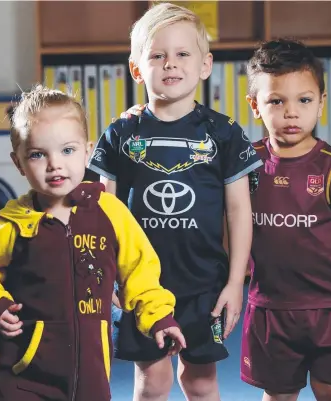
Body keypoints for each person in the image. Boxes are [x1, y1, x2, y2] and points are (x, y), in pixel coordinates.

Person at [0, 85, 186, 401]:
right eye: (38, 155)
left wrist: (159, 317)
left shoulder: (110, 212)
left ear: (87, 151)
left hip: (90, 371)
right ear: (18, 163)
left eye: (67, 151)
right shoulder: (11, 224)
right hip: (24, 371)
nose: (55, 165)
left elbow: (141, 273)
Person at [87, 3, 262, 400]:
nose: (171, 64)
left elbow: (238, 211)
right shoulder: (120, 135)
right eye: (157, 55)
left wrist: (236, 282)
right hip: (140, 282)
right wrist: (107, 273)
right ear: (137, 69)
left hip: (203, 282)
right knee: (152, 381)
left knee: (200, 382)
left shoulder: (224, 134)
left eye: (183, 54)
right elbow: (105, 210)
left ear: (205, 65)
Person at [241, 38, 331, 401]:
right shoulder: (247, 163)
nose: (291, 112)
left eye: (304, 100)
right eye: (276, 101)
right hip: (270, 307)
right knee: (279, 394)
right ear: (255, 106)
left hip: (328, 308)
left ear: (321, 103)